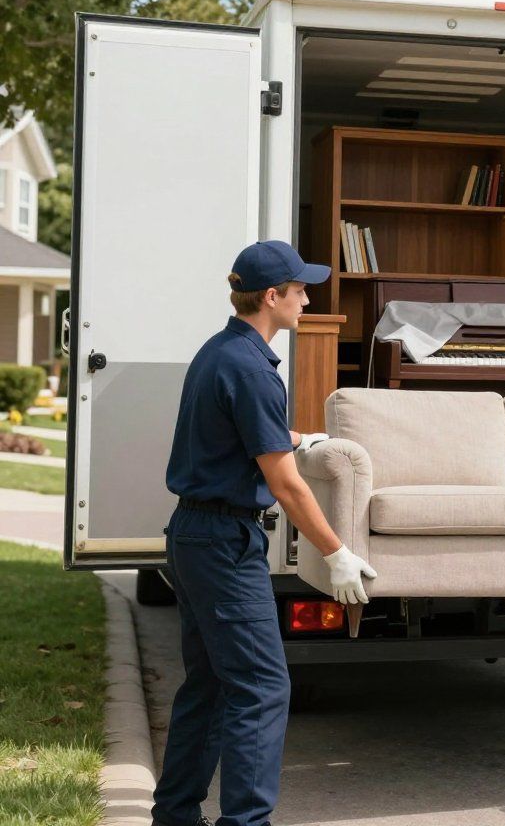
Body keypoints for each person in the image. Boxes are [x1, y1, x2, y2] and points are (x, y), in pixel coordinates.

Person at [151, 240, 378, 826]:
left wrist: (297, 439)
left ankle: (175, 815)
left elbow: (239, 439)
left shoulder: (221, 351)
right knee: (262, 688)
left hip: (196, 534)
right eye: (300, 289)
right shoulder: (254, 369)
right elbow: (286, 486)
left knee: (210, 685)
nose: (308, 298)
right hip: (224, 544)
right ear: (271, 297)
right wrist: (337, 552)